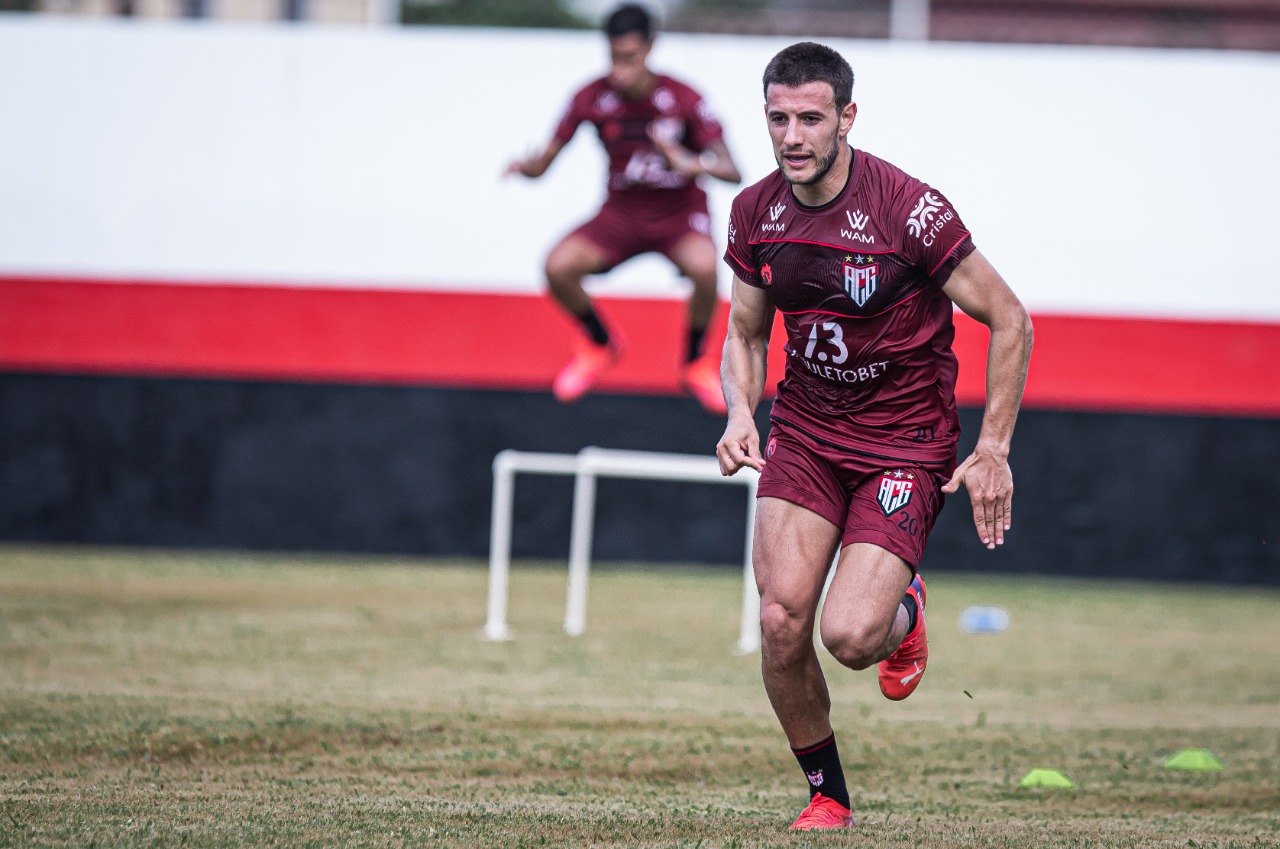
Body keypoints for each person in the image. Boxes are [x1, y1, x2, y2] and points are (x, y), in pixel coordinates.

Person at [715, 43, 1033, 831]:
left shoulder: (908, 210)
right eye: (778, 118)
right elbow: (747, 335)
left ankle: (905, 613)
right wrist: (739, 412)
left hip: (905, 442)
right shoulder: (756, 211)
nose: (792, 135)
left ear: (847, 118)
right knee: (781, 620)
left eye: (810, 118)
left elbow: (1010, 318)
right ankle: (827, 794)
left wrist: (992, 448)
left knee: (850, 637)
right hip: (809, 434)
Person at [505, 3, 742, 414]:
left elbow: (732, 171)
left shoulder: (683, 98)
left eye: (630, 59)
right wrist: (527, 169)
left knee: (707, 268)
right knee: (558, 267)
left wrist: (689, 163)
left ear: (650, 49)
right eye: (614, 58)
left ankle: (693, 362)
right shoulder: (591, 97)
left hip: (678, 215)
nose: (621, 71)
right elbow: (545, 162)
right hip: (621, 214)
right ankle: (600, 344)